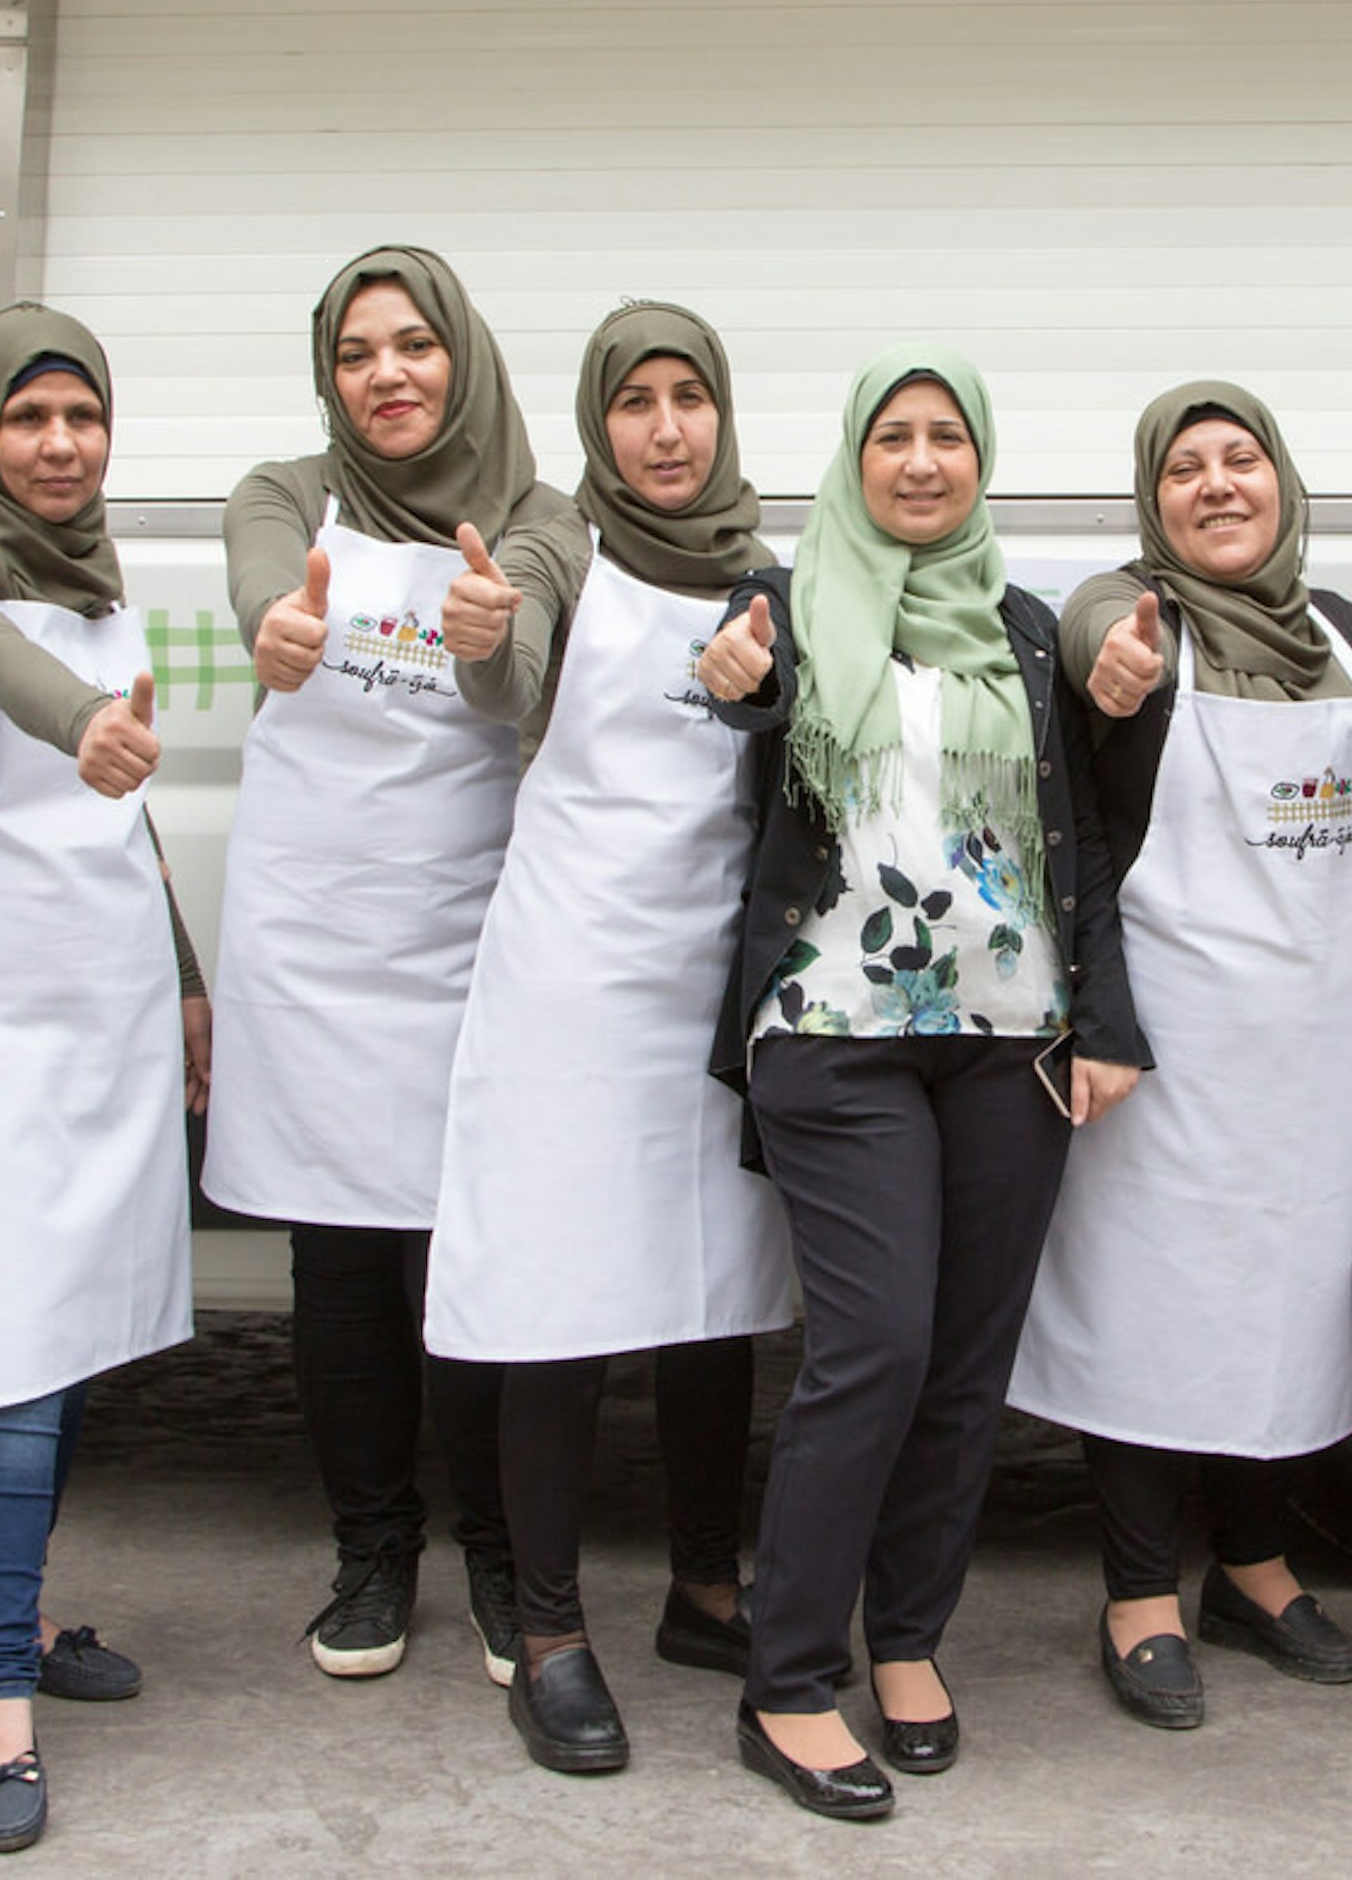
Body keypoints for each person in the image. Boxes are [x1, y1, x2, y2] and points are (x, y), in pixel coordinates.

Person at [695, 346, 1149, 1823]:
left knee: (966, 1359)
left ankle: (909, 1635)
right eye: (892, 434)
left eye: (947, 434)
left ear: (981, 458)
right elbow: (745, 697)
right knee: (876, 1341)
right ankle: (786, 1675)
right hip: (833, 1030)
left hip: (1011, 1035)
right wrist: (734, 681)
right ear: (852, 454)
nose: (921, 459)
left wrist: (1106, 1017)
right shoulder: (782, 600)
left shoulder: (1022, 627)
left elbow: (1080, 839)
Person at [424, 303, 791, 1777]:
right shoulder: (556, 546)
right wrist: (483, 640)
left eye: (686, 396)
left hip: (709, 975)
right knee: (560, 1307)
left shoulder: (764, 571)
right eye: (633, 399)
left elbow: (801, 751)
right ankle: (553, 1632)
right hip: (573, 978)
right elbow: (507, 667)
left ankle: (709, 1590)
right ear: (598, 420)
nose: (663, 427)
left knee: (713, 1292)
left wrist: (770, 702)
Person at [1006, 382, 1352, 1731]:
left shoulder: (1344, 634)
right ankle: (1136, 1590)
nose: (1219, 484)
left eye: (1243, 459)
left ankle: (1253, 1563)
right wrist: (1104, 664)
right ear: (1150, 498)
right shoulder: (1124, 613)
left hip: (1313, 1052)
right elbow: (1087, 819)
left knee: (1284, 1309)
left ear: (1284, 481)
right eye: (1186, 467)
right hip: (1165, 1043)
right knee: (1148, 1311)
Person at [203, 245, 563, 1686]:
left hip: (467, 931)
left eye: (414, 343)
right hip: (313, 935)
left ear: (461, 355)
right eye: (358, 352)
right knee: (339, 1263)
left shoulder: (539, 514)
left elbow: (513, 656)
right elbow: (258, 588)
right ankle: (370, 1551)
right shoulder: (288, 494)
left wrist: (489, 636)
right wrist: (275, 629)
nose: (388, 373)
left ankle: (491, 1552)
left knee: (468, 1258)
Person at [0, 306, 202, 1852]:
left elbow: (120, 810)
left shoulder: (97, 568)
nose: (62, 444)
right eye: (29, 419)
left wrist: (192, 977)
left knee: (64, 1329)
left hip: (104, 1001)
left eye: (83, 415)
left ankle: (30, 1609)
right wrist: (79, 719)